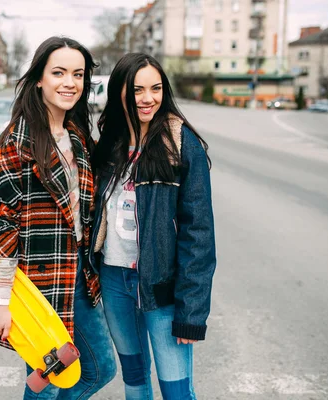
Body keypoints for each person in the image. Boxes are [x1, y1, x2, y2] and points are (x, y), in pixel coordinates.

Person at [0, 36, 117, 400]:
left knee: (99, 369)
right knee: (46, 382)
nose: (69, 83)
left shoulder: (76, 135)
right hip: (39, 283)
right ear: (39, 78)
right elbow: (5, 224)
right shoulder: (18, 140)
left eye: (78, 74)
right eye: (58, 72)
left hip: (79, 277)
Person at [90, 53, 216, 399]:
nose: (148, 98)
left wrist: (192, 310)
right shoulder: (110, 146)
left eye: (156, 88)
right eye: (137, 90)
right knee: (134, 380)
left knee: (176, 391)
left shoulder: (180, 142)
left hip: (161, 286)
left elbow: (199, 233)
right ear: (120, 93)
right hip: (114, 282)